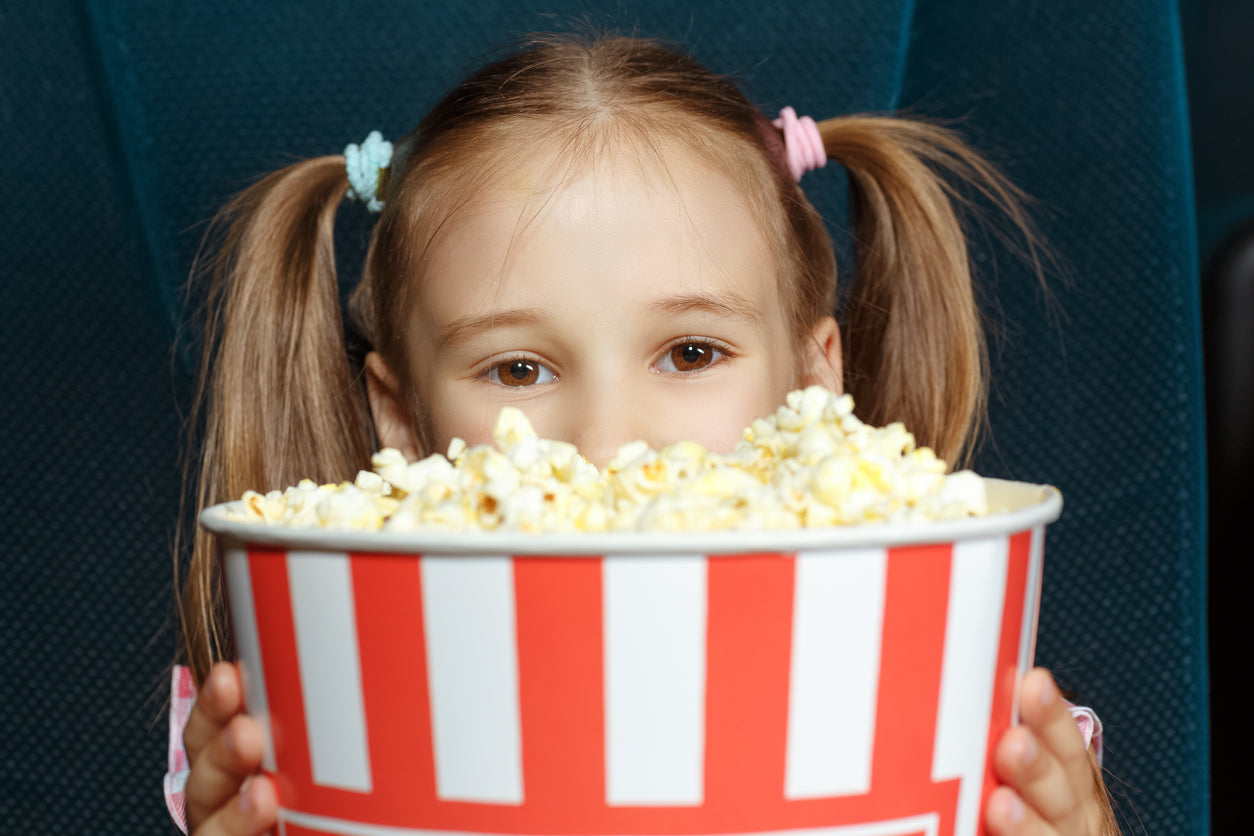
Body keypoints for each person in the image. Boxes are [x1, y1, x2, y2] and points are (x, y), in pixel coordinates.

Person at [169, 34, 1118, 836]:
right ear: (403, 421)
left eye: (692, 352)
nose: (612, 440)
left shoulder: (945, 696)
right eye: (518, 370)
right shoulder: (317, 716)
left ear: (815, 380)